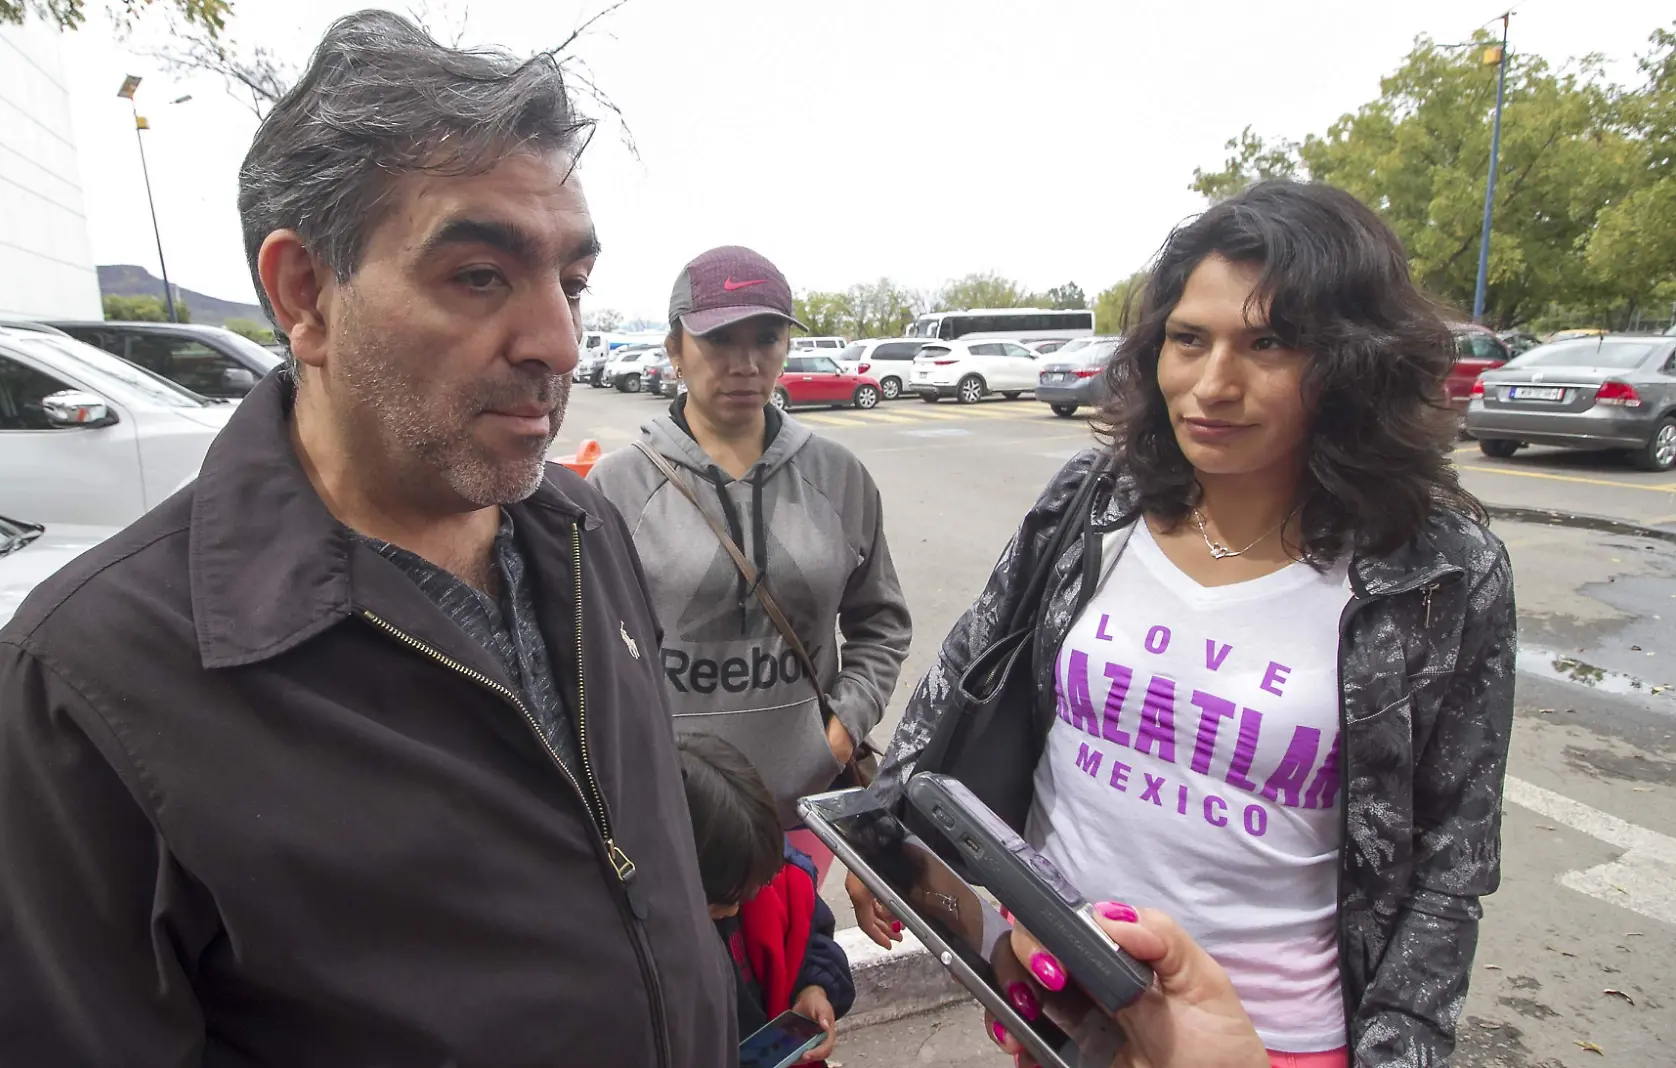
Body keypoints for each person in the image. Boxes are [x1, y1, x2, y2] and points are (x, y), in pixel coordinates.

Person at [0, 12, 732, 1067]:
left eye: (569, 282)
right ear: (304, 295)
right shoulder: (84, 685)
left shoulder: (583, 531)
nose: (558, 343)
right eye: (480, 275)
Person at [855, 180, 1516, 1068]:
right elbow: (966, 674)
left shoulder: (1437, 571)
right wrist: (885, 841)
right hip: (1057, 990)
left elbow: (1450, 871)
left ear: (1355, 363)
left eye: (1270, 343)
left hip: (1268, 1040)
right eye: (1188, 339)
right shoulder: (1097, 503)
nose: (1213, 385)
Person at [589, 246, 912, 880]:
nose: (744, 363)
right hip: (666, 812)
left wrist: (842, 727)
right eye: (718, 340)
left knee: (794, 965)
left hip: (800, 806)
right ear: (675, 349)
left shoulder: (839, 477)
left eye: (766, 337)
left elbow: (882, 624)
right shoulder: (615, 487)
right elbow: (590, 654)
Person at [678, 734, 854, 1061]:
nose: (734, 908)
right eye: (721, 902)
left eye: (746, 895)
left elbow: (813, 941)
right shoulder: (643, 944)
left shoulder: (778, 880)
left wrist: (814, 989)